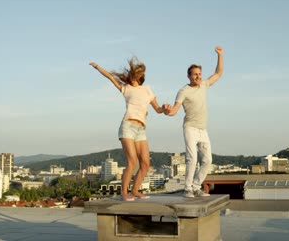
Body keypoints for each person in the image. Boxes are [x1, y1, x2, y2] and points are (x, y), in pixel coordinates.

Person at [89, 57, 164, 201]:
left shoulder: (147, 90)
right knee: (132, 161)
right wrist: (98, 67)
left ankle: (135, 190)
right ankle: (124, 192)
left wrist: (165, 109)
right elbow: (111, 77)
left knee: (145, 163)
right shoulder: (126, 88)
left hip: (141, 129)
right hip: (128, 126)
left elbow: (158, 108)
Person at [164, 46, 224, 198]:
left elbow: (218, 73)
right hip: (190, 128)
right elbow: (174, 111)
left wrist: (220, 55)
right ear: (189, 76)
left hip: (203, 129)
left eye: (200, 74)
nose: (198, 77)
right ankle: (188, 189)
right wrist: (167, 109)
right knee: (192, 159)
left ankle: (197, 186)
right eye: (195, 75)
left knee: (208, 160)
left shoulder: (204, 85)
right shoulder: (183, 91)